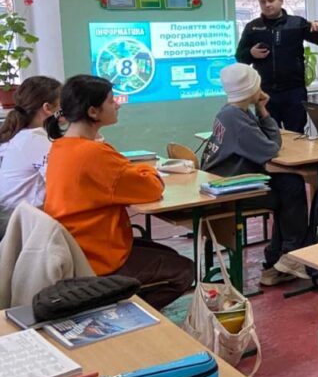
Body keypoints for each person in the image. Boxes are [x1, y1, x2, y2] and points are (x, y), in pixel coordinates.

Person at [43, 75, 193, 310]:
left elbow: (120, 173)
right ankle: (115, 312)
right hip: (97, 257)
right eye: (112, 101)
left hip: (78, 246)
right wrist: (146, 169)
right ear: (93, 112)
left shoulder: (61, 146)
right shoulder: (93, 154)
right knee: (184, 270)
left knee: (167, 254)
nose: (118, 105)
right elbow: (152, 188)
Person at [201, 63, 310, 286]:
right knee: (291, 188)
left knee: (288, 182)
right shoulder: (238, 119)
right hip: (230, 192)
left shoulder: (230, 112)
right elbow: (272, 148)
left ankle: (279, 258)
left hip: (224, 183)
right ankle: (290, 255)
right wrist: (264, 111)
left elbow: (266, 143)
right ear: (251, 89)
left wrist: (260, 109)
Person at [234, 0, 318, 132]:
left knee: (296, 134)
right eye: (263, 1)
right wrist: (251, 53)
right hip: (265, 92)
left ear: (281, 1)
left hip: (294, 91)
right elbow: (240, 57)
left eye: (271, 0)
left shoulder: (297, 23)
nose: (267, 4)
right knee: (268, 133)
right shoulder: (253, 27)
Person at [0, 76, 61, 214]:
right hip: (22, 218)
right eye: (62, 103)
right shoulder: (35, 139)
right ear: (47, 108)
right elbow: (59, 183)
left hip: (15, 214)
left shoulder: (21, 135)